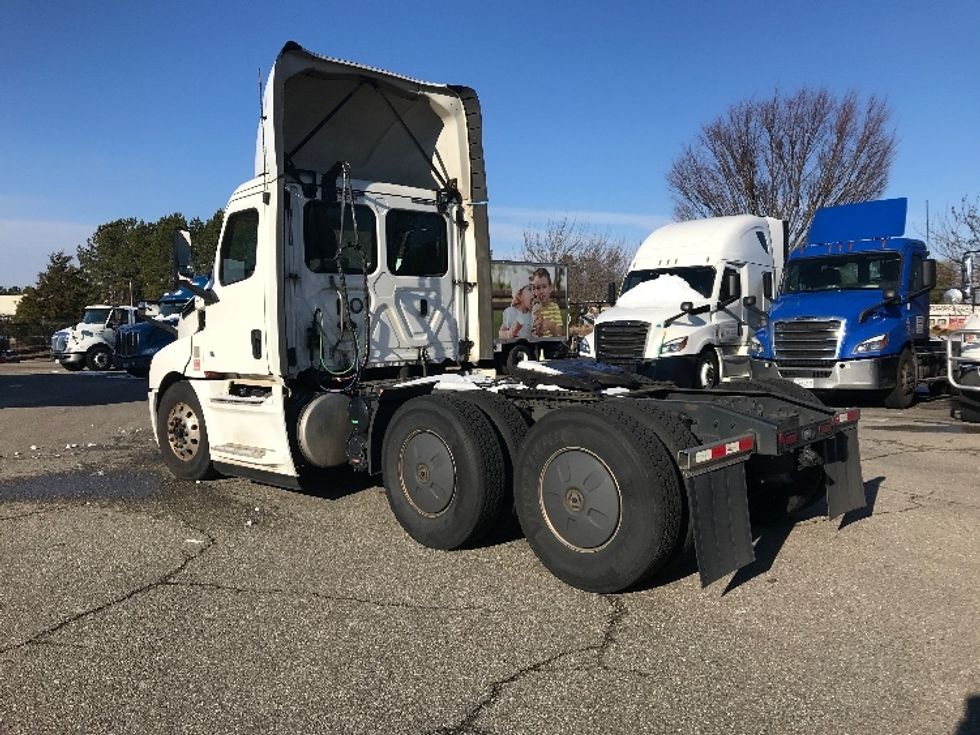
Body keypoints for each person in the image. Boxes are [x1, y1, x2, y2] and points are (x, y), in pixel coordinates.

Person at [531, 268, 561, 337]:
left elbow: (559, 332)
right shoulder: (534, 309)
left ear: (550, 288)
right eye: (538, 288)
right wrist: (537, 332)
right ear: (534, 291)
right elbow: (532, 333)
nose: (541, 291)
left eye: (544, 286)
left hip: (552, 344)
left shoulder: (554, 308)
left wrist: (550, 325)